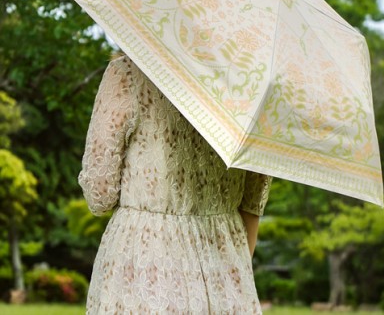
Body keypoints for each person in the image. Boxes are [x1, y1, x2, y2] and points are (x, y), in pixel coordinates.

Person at [79, 51, 273, 314]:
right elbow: (252, 202)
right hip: (225, 261)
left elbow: (99, 195)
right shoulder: (253, 85)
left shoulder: (129, 73)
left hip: (144, 261)